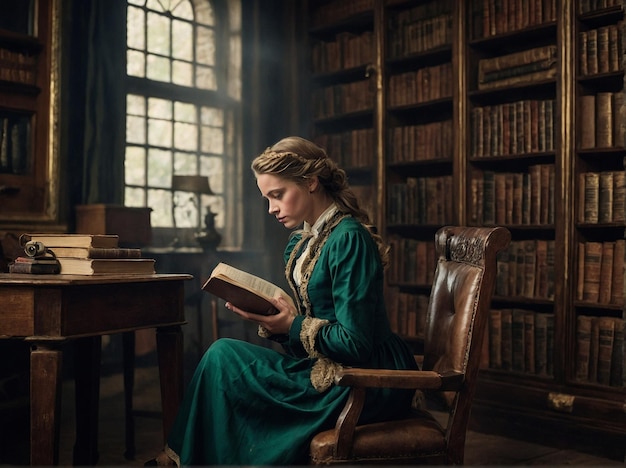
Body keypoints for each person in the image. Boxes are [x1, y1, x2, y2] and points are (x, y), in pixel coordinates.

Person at [148, 136, 418, 466]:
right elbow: (313, 332)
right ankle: (178, 460)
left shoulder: (348, 239)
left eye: (278, 195)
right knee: (223, 358)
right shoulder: (303, 241)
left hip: (366, 380)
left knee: (223, 357)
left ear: (311, 182)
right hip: (327, 366)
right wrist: (275, 322)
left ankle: (174, 461)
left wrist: (291, 324)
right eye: (266, 198)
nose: (272, 208)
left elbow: (355, 343)